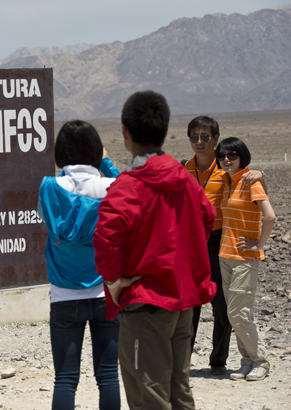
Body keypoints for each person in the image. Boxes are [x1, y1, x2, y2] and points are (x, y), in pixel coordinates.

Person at [93, 90, 216, 410]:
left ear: (125, 133)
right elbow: (208, 217)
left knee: (149, 394)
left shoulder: (127, 186)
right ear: (164, 133)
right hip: (182, 303)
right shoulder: (187, 181)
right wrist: (183, 261)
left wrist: (114, 281)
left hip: (145, 305)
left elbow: (105, 239)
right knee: (179, 390)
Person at [38, 120, 130, 410]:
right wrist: (107, 163)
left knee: (65, 379)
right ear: (94, 150)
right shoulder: (112, 187)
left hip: (64, 295)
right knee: (108, 376)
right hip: (107, 293)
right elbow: (136, 191)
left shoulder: (49, 188)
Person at [183, 116, 265, 376]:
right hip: (192, 243)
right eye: (194, 136)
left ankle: (218, 361)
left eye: (204, 136)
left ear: (215, 138)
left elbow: (251, 184)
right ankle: (182, 362)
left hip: (219, 241)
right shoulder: (186, 168)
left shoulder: (226, 169)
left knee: (221, 304)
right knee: (190, 304)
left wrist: (261, 172)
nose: (199, 141)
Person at [215, 137, 276, 381]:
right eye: (222, 156)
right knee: (234, 314)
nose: (226, 159)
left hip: (244, 258)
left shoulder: (252, 181)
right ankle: (247, 361)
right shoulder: (228, 181)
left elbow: (270, 217)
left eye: (232, 155)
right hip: (225, 255)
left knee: (240, 313)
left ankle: (261, 361)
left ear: (242, 156)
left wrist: (258, 245)